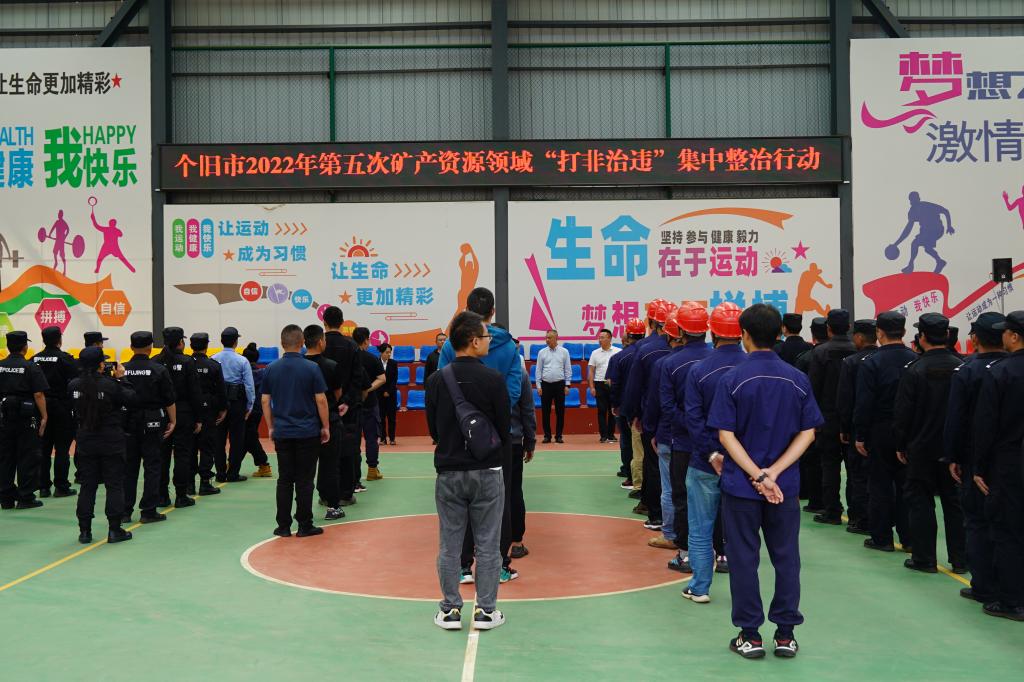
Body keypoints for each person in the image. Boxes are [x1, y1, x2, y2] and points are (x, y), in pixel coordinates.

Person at [708, 303, 823, 659]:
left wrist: (757, 474)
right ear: (778, 334)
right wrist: (775, 473)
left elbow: (726, 436)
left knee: (744, 558)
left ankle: (750, 635)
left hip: (741, 487)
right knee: (786, 558)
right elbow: (808, 433)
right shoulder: (797, 379)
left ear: (744, 335)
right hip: (783, 488)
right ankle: (786, 635)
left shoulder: (732, 379)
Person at [427, 311, 510, 631]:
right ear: (474, 341)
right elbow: (503, 427)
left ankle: (450, 610)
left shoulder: (437, 380)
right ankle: (486, 611)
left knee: (450, 543)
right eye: (487, 337)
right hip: (487, 469)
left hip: (449, 470)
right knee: (488, 543)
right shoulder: (494, 379)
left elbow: (433, 429)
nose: (489, 341)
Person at [894, 313, 966, 573]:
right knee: (954, 504)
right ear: (946, 336)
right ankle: (961, 559)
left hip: (921, 447)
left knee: (921, 502)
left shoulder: (914, 369)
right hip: (954, 449)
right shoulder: (962, 367)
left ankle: (924, 558)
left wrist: (901, 444)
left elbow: (903, 413)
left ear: (922, 337)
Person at [681, 302, 744, 599]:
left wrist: (711, 454)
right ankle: (744, 591)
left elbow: (693, 419)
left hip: (705, 463)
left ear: (713, 332)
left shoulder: (699, 370)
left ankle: (700, 586)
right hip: (745, 464)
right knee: (742, 531)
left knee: (700, 528)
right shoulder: (750, 367)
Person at [943, 312, 1005, 604]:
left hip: (975, 456)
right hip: (1010, 456)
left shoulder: (968, 371)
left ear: (975, 338)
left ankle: (983, 585)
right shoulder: (1011, 368)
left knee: (978, 521)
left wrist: (953, 455)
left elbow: (956, 418)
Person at [971, 310, 1024, 621]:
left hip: (1009, 463)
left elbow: (986, 425)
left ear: (1014, 336)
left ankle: (1011, 600)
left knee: (1008, 530)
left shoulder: (1000, 373)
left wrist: (979, 466)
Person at [854, 312, 917, 552]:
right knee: (906, 485)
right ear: (903, 332)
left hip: (880, 430)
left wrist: (860, 434)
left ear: (879, 333)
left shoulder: (871, 363)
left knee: (879, 484)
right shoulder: (915, 360)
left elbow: (864, 403)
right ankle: (909, 538)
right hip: (908, 430)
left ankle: (882, 538)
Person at [261, 325, 331, 538]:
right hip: (307, 432)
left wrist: (271, 427)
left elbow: (265, 401)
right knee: (305, 480)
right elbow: (321, 400)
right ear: (302, 343)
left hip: (283, 432)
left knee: (284, 479)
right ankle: (304, 524)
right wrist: (325, 426)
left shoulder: (271, 368)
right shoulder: (312, 368)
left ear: (282, 343)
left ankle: (283, 525)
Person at [654, 303, 713, 555]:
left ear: (679, 331)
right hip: (718, 440)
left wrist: (692, 424)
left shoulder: (670, 363)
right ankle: (720, 551)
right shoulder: (716, 359)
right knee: (716, 496)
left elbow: (667, 407)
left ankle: (685, 551)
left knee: (681, 495)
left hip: (683, 440)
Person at [69, 347, 137, 544]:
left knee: (87, 486)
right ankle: (114, 529)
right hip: (111, 439)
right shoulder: (110, 385)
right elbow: (131, 399)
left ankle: (84, 531)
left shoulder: (73, 385)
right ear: (101, 364)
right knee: (114, 484)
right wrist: (122, 378)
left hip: (85, 439)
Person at [622, 301, 675, 528]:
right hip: (684, 420)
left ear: (651, 322)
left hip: (651, 416)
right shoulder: (684, 350)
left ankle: (655, 514)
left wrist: (633, 414)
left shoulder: (644, 349)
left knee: (652, 464)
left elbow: (635, 385)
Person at [807, 309, 857, 526]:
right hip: (852, 419)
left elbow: (813, 388)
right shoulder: (857, 349)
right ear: (849, 327)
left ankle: (832, 510)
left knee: (829, 466)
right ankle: (856, 514)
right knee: (854, 469)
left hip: (827, 418)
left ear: (828, 328)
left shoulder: (820, 352)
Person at [121, 331, 176, 524]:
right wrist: (173, 421)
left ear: (131, 347)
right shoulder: (158, 370)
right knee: (152, 465)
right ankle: (148, 510)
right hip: (152, 421)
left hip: (127, 421)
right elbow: (169, 399)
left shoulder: (122, 369)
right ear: (151, 347)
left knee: (128, 467)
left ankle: (125, 511)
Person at [437, 286, 523, 409]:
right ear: (493, 311)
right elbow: (513, 391)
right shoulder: (510, 346)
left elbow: (443, 385)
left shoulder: (451, 344)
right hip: (496, 418)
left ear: (467, 310)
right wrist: (496, 413)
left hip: (459, 418)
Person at [836, 318, 879, 535]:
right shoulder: (889, 359)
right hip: (884, 428)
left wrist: (844, 428)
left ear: (860, 337)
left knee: (858, 476)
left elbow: (846, 399)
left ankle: (860, 519)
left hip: (858, 427)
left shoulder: (851, 362)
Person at [321, 306, 368, 504]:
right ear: (342, 323)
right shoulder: (352, 346)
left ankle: (325, 494)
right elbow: (358, 378)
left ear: (324, 322)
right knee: (349, 451)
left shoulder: (318, 344)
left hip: (323, 406)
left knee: (324, 451)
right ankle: (346, 493)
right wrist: (347, 402)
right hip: (348, 408)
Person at [0, 331, 49, 510]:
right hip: (25, 416)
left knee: (5, 457)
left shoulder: (0, 366)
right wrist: (44, 416)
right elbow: (38, 394)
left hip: (4, 415)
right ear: (25, 347)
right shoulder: (30, 367)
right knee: (27, 456)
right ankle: (25, 497)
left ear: (8, 346)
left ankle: (6, 497)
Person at [303, 324, 348, 521]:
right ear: (321, 341)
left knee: (305, 469)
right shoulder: (330, 366)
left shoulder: (300, 366)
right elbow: (337, 394)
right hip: (329, 419)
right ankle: (333, 507)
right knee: (330, 466)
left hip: (305, 422)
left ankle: (304, 512)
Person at [157, 327, 203, 509]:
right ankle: (181, 495)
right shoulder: (187, 362)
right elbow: (195, 392)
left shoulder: (156, 361)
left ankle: (162, 495)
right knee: (182, 455)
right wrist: (199, 418)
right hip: (184, 413)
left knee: (162, 456)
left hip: (162, 413)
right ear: (180, 343)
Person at [32, 325, 79, 498]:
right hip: (61, 408)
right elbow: (75, 383)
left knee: (43, 449)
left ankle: (43, 487)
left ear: (43, 340)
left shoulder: (34, 359)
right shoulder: (66, 359)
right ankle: (61, 486)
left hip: (41, 408)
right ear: (60, 339)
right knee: (62, 449)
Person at [213, 327, 255, 482]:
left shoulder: (213, 359)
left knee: (219, 439)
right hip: (237, 403)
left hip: (219, 403)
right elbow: (249, 386)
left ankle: (220, 472)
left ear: (221, 341)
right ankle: (233, 473)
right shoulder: (242, 360)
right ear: (236, 342)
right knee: (237, 439)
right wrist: (249, 405)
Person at [795, 316, 827, 513]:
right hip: (842, 418)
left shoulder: (807, 358)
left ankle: (816, 500)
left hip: (812, 417)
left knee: (813, 460)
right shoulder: (852, 353)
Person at [608, 320, 645, 486]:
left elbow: (614, 384)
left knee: (627, 442)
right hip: (646, 407)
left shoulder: (618, 357)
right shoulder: (648, 353)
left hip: (625, 407)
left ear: (628, 337)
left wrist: (614, 404)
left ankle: (631, 476)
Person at [190, 333, 227, 495]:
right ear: (206, 346)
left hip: (190, 410)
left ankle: (189, 484)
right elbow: (221, 389)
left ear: (191, 346)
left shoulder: (186, 363)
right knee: (207, 447)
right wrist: (223, 408)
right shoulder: (213, 365)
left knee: (190, 448)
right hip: (209, 410)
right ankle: (205, 483)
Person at [353, 328, 386, 486]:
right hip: (370, 404)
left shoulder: (349, 357)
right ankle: (372, 470)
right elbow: (382, 379)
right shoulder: (372, 358)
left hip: (352, 404)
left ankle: (353, 474)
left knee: (353, 439)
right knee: (371, 438)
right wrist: (368, 389)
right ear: (366, 340)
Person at [241, 343, 273, 478]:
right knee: (246, 437)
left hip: (245, 409)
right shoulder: (263, 372)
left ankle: (264, 464)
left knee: (249, 437)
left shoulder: (242, 373)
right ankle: (233, 463)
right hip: (258, 409)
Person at [536, 329, 571, 444]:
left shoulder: (564, 352)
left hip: (559, 385)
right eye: (546, 337)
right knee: (545, 412)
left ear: (556, 338)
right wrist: (538, 386)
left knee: (560, 411)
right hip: (545, 385)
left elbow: (568, 369)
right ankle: (547, 435)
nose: (547, 340)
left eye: (550, 338)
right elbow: (538, 370)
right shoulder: (542, 352)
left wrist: (567, 385)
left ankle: (559, 436)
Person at [587, 328, 620, 443]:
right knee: (601, 410)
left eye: (602, 337)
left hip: (613, 384)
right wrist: (592, 387)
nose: (600, 339)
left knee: (613, 410)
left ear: (609, 338)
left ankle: (611, 434)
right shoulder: (595, 353)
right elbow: (591, 371)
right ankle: (603, 435)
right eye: (599, 337)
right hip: (599, 383)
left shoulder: (618, 351)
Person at [377, 343, 398, 447]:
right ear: (381, 352)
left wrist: (388, 391)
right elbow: (375, 378)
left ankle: (392, 438)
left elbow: (394, 379)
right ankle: (382, 438)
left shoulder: (393, 363)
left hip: (391, 394)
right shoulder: (376, 362)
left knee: (391, 417)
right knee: (381, 417)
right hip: (379, 395)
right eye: (387, 352)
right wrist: (382, 391)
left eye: (390, 352)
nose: (389, 354)